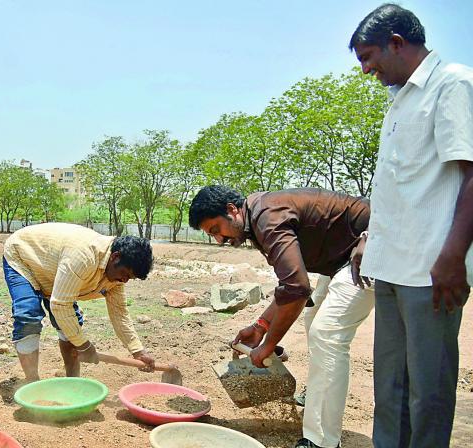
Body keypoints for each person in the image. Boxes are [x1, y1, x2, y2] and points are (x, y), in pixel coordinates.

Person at [349, 4, 473, 447]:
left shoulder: (453, 83)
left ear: (397, 43)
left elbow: (471, 173)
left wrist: (454, 257)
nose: (367, 70)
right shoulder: (399, 98)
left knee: (429, 394)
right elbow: (398, 183)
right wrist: (369, 240)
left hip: (431, 270)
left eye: (368, 57)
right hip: (391, 265)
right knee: (390, 393)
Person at [189, 186, 372, 448]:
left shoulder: (266, 217)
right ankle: (318, 399)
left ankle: (322, 442)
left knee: (327, 334)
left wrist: (269, 346)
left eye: (217, 230)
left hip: (370, 247)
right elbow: (290, 286)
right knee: (314, 318)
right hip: (342, 259)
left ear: (232, 210)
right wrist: (260, 326)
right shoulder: (255, 217)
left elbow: (297, 289)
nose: (219, 240)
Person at [3, 223, 155, 382]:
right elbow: (61, 305)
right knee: (28, 318)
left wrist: (138, 351)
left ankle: (72, 381)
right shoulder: (84, 257)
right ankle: (32, 382)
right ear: (115, 257)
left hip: (56, 270)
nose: (124, 281)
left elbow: (120, 314)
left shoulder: (116, 277)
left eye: (129, 278)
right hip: (23, 256)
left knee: (69, 324)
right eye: (125, 274)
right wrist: (84, 345)